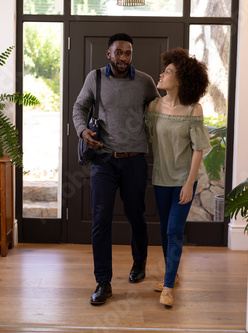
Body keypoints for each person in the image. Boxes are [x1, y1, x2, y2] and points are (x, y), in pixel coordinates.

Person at [73, 33, 159, 306]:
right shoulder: (95, 78)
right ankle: (103, 281)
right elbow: (79, 107)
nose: (124, 58)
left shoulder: (145, 82)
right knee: (101, 221)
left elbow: (161, 110)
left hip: (135, 160)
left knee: (136, 215)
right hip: (104, 161)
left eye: (128, 53)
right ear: (108, 54)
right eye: (118, 52)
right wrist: (83, 129)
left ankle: (139, 263)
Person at [145, 48, 211, 307]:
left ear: (181, 80)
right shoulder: (153, 106)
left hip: (183, 180)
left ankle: (169, 285)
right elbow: (148, 137)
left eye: (168, 72)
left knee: (174, 231)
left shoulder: (194, 110)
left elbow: (199, 148)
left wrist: (188, 183)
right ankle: (172, 275)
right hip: (160, 178)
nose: (161, 75)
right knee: (164, 230)